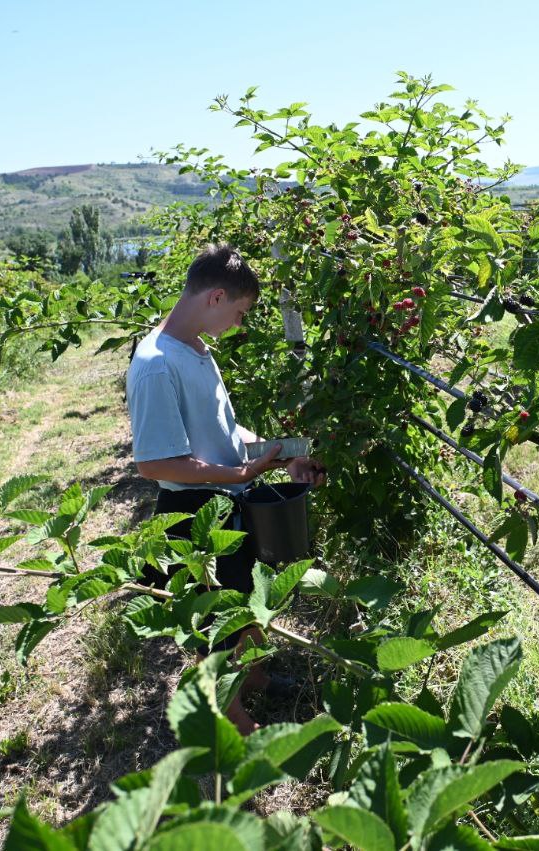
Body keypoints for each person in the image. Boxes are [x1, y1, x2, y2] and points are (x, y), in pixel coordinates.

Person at [126, 242, 326, 733]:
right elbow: (154, 463)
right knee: (213, 622)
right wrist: (237, 476)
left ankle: (254, 678)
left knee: (242, 597)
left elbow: (223, 432)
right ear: (216, 297)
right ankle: (237, 723)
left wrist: (278, 454)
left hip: (222, 498)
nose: (239, 324)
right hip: (192, 510)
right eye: (240, 312)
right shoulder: (156, 364)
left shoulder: (196, 349)